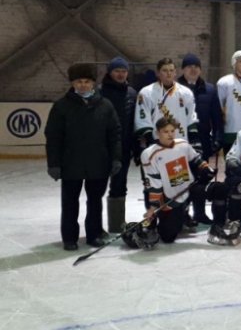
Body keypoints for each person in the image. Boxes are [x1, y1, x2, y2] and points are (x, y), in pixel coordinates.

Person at [45, 63, 122, 250]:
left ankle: (94, 234)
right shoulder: (61, 106)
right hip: (71, 163)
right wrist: (54, 163)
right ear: (72, 83)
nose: (83, 85)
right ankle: (69, 237)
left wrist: (115, 158)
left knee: (95, 201)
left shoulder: (105, 105)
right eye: (79, 81)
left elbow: (114, 134)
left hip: (98, 162)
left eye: (87, 81)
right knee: (70, 202)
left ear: (93, 83)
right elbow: (53, 137)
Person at [138, 117, 215, 245]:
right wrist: (153, 208)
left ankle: (218, 225)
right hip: (170, 197)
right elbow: (154, 185)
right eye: (165, 131)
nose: (170, 134)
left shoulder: (183, 144)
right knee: (168, 236)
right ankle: (167, 219)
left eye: (172, 131)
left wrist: (205, 168)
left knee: (219, 189)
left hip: (188, 189)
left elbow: (196, 159)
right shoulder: (149, 154)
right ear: (157, 133)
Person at [177, 53, 224, 224]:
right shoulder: (176, 89)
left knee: (201, 177)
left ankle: (199, 213)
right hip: (181, 140)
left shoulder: (209, 90)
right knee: (181, 178)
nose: (193, 69)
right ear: (183, 69)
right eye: (189, 66)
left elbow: (217, 117)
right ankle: (182, 213)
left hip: (202, 141)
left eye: (196, 66)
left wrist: (218, 138)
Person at [100, 56, 136, 234]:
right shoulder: (100, 92)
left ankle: (116, 224)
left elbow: (134, 121)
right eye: (117, 71)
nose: (121, 74)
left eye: (123, 71)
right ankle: (95, 226)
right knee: (97, 187)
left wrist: (135, 147)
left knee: (120, 184)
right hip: (102, 148)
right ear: (110, 72)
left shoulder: (132, 93)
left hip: (124, 148)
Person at [135, 58, 200, 152]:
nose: (169, 73)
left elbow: (191, 117)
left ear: (175, 73)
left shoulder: (186, 93)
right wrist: (151, 140)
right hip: (156, 144)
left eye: (171, 70)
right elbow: (142, 120)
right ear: (158, 73)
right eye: (165, 70)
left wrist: (194, 140)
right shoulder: (146, 93)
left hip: (180, 143)